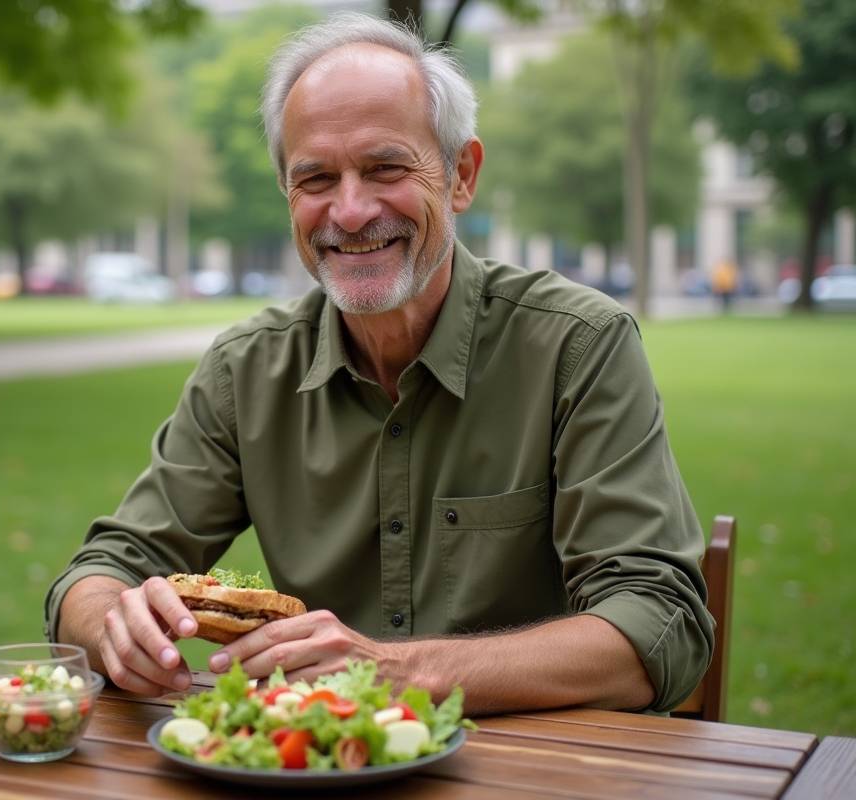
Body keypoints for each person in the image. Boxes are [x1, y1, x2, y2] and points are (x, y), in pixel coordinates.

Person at [45, 12, 713, 717]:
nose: (352, 210)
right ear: (287, 194)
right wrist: (113, 626)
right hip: (319, 770)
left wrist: (400, 672)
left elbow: (657, 628)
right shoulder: (245, 372)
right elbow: (100, 574)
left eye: (385, 168)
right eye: (316, 179)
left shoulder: (578, 346)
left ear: (461, 175)